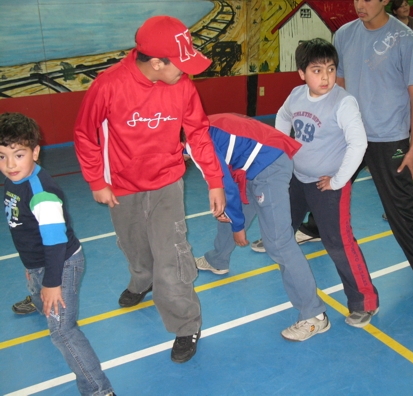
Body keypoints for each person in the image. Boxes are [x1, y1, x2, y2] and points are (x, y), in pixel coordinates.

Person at [74, 16, 226, 364]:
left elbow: (198, 133)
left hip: (166, 183)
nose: (187, 72)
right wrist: (97, 181)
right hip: (122, 186)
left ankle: (186, 324)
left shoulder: (182, 86)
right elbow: (86, 134)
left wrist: (214, 181)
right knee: (134, 244)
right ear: (157, 62)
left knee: (172, 256)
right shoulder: (108, 85)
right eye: (181, 64)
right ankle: (141, 280)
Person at [333, 0, 413, 303]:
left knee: (402, 210)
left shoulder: (405, 39)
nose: (360, 4)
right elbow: (339, 84)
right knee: (325, 188)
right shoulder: (343, 34)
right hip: (352, 135)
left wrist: (412, 147)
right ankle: (308, 228)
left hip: (390, 139)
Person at [1, 113, 114, 396]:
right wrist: (31, 267)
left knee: (63, 330)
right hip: (38, 264)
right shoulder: (15, 180)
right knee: (39, 288)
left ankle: (99, 390)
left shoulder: (41, 193)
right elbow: (24, 229)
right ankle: (39, 299)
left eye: (18, 155)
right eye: (2, 157)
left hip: (60, 264)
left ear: (36, 152)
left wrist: (52, 283)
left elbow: (55, 244)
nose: (10, 165)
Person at [194, 113, 329, 340]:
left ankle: (315, 315)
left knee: (279, 242)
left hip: (270, 163)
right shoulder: (195, 126)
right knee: (227, 213)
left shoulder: (197, 142)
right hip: (253, 163)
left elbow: (223, 185)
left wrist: (239, 227)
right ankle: (217, 259)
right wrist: (233, 218)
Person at [276, 38, 379, 327]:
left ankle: (364, 301)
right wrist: (285, 150)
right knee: (281, 231)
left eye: (331, 70)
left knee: (338, 244)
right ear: (302, 73)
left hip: (327, 187)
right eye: (317, 70)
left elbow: (359, 143)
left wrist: (337, 181)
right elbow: (284, 117)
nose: (326, 77)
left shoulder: (343, 102)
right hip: (298, 180)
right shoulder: (296, 95)